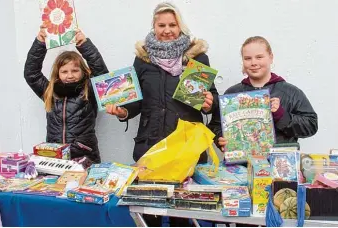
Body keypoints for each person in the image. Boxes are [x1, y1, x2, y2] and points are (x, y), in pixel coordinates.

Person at [106, 2, 218, 165]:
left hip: (186, 145)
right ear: (154, 27)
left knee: (189, 191)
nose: (167, 30)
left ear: (180, 26)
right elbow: (136, 100)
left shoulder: (196, 57)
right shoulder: (142, 59)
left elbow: (211, 99)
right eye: (161, 25)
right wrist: (123, 111)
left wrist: (209, 104)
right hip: (151, 145)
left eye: (172, 25)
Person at [208, 36, 318, 151]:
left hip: (279, 165)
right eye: (247, 58)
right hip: (241, 166)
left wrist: (282, 116)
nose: (253, 63)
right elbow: (215, 125)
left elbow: (311, 125)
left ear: (271, 57)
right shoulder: (232, 93)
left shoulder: (291, 92)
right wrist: (220, 139)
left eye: (259, 57)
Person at [24, 26, 108, 165]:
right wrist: (40, 43)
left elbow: (101, 74)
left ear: (83, 71)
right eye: (64, 71)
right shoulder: (50, 91)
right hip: (54, 159)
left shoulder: (89, 89)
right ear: (58, 74)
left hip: (84, 158)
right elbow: (31, 74)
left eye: (75, 70)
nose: (70, 75)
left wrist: (84, 44)